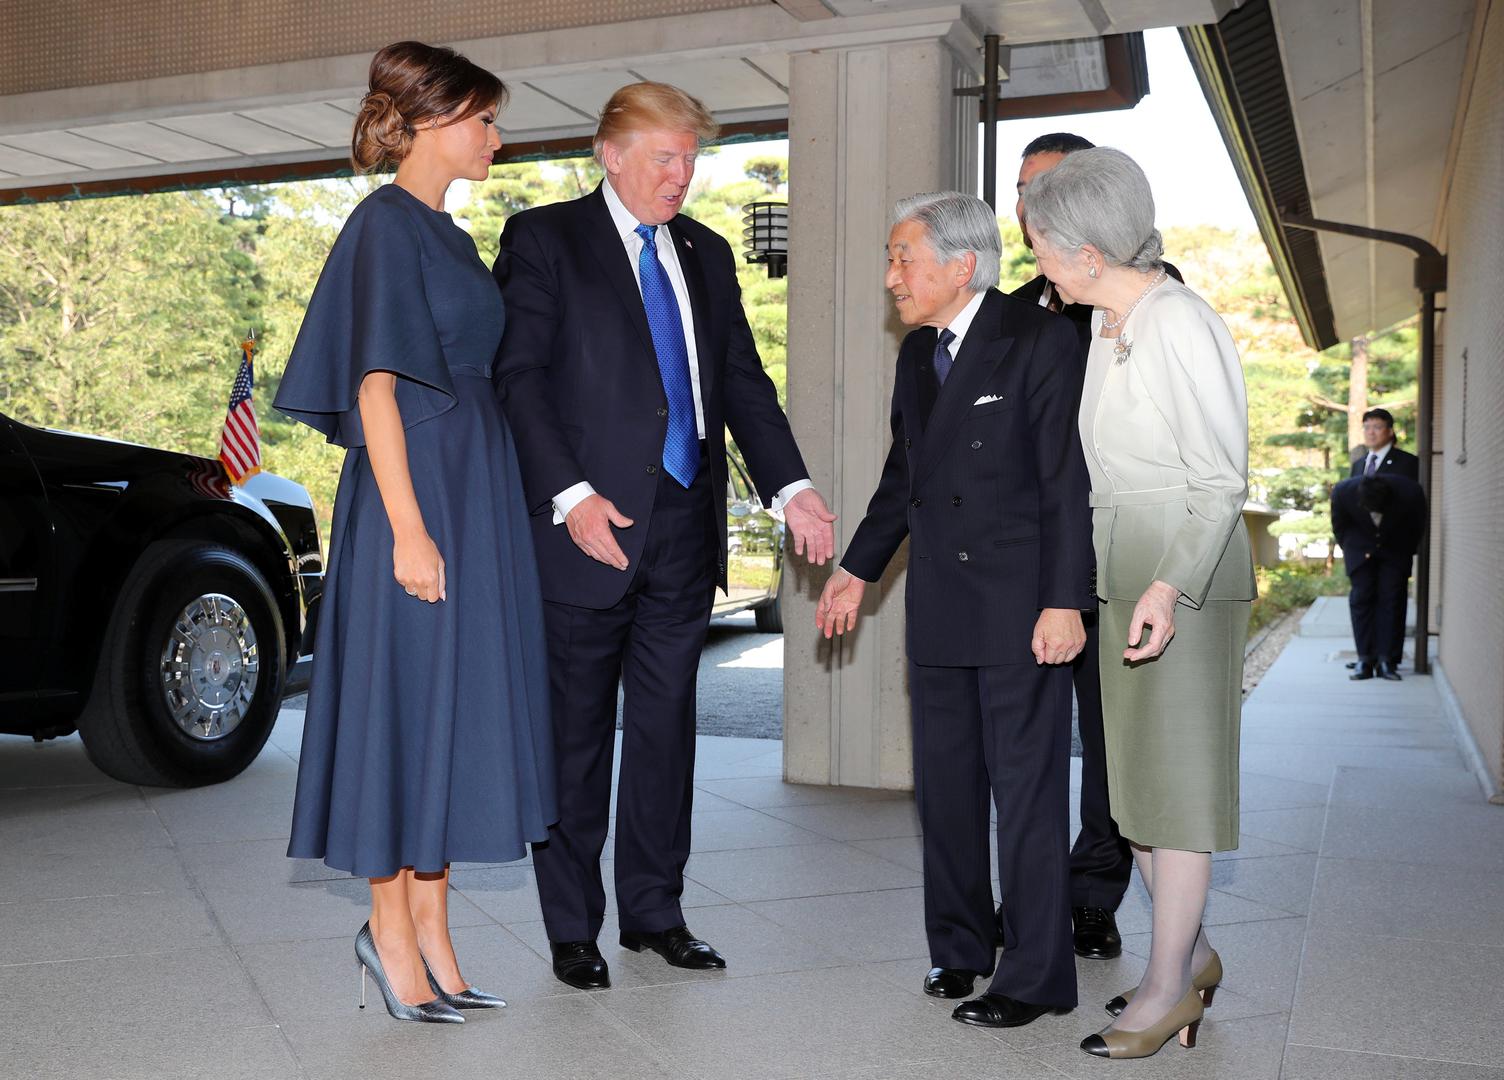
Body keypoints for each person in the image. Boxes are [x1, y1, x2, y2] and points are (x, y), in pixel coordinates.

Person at [492, 82, 836, 991]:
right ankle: (573, 926)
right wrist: (569, 495)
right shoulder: (545, 241)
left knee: (663, 731)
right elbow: (518, 379)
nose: (680, 176)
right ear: (610, 154)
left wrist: (791, 487)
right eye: (663, 157)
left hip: (686, 527)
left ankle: (654, 912)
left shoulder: (707, 253)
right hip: (586, 530)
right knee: (574, 738)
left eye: (690, 159)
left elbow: (742, 387)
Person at [274, 41, 555, 1024]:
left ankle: (435, 936)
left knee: (447, 711)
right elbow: (374, 390)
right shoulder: (384, 226)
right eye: (484, 118)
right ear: (435, 121)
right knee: (406, 712)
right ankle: (389, 937)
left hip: (469, 493)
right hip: (419, 497)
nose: (496, 136)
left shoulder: (444, 233)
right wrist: (408, 531)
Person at [817, 191, 1093, 1030]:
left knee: (1028, 794)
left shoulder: (1038, 339)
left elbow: (1065, 484)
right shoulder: (917, 356)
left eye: (905, 258)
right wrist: (856, 571)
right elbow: (906, 477)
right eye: (893, 259)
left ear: (961, 265)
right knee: (946, 791)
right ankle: (962, 946)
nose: (892, 276)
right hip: (939, 603)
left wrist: (1064, 602)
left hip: (1020, 608)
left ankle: (1036, 975)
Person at [1023, 147, 1257, 1059]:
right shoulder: (1106, 326)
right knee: (1136, 797)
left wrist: (1165, 584)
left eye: (1040, 244)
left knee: (1177, 793)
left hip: (1183, 580)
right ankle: (1189, 953)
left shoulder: (1179, 323)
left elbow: (1220, 479)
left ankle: (1166, 991)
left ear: (1087, 252)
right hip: (1125, 574)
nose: (1034, 261)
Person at [1005, 131, 1181, 963]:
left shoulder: (1147, 301)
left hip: (1117, 559)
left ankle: (1092, 893)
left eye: (1050, 189)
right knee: (1028, 738)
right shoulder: (1011, 308)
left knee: (1111, 745)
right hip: (1033, 558)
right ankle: (1031, 896)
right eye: (1023, 190)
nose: (1030, 207)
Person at [1331, 472, 1426, 680]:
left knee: (1392, 602)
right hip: (1359, 550)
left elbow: (1417, 525)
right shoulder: (1343, 492)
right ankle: (1365, 659)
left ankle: (1387, 661)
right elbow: (1340, 526)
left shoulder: (1410, 492)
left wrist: (1403, 551)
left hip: (1396, 549)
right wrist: (1352, 550)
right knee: (1361, 600)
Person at [1349, 407, 1420, 481]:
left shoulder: (1408, 462)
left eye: (1377, 427)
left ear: (1390, 431)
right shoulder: (1358, 464)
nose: (1370, 432)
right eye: (1367, 427)